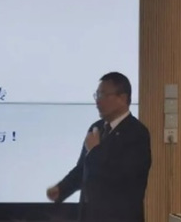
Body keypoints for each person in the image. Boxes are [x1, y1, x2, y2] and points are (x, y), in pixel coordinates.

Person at [46, 72, 152, 222]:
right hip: (90, 215)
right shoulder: (96, 128)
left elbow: (123, 176)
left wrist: (95, 151)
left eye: (103, 95)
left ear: (122, 98)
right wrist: (62, 188)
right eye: (97, 95)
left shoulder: (137, 133)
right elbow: (83, 168)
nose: (97, 101)